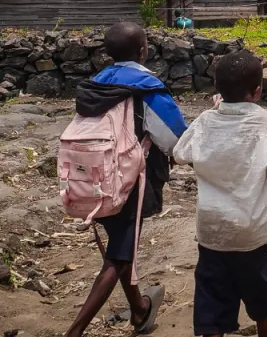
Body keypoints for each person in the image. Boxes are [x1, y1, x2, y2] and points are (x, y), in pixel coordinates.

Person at [65, 22, 188, 337]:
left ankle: (139, 309)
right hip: (131, 183)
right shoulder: (147, 88)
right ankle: (75, 331)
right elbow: (175, 139)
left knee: (122, 246)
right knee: (119, 256)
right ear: (144, 50)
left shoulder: (95, 84)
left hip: (93, 179)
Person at [174, 51, 267, 337]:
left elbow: (180, 153)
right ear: (257, 91)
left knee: (212, 301)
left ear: (216, 88)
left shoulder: (206, 121)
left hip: (211, 231)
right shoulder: (261, 121)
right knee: (262, 293)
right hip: (252, 231)